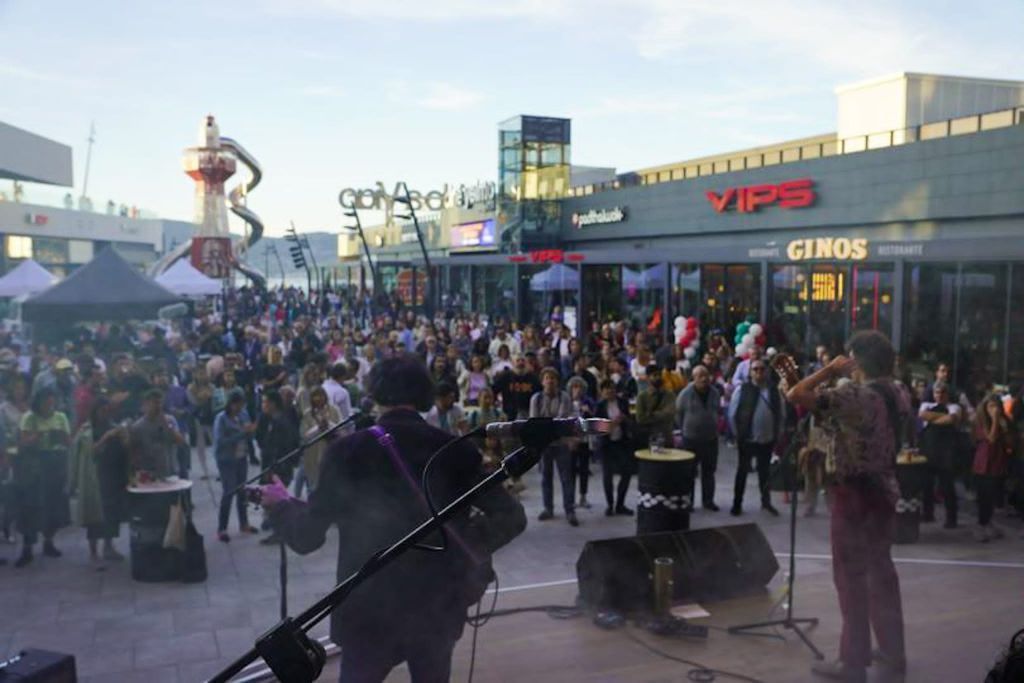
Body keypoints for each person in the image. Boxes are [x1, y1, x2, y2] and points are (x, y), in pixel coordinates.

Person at [258, 353, 526, 682]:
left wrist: (282, 506)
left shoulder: (346, 453)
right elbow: (511, 516)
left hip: (369, 609)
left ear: (376, 393)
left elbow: (307, 537)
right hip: (436, 605)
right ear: (423, 394)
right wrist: (462, 546)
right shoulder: (454, 449)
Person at [786, 331, 908, 683]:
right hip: (885, 489)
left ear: (855, 359)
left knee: (851, 578)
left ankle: (852, 663)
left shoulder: (856, 394)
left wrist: (827, 370)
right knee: (882, 574)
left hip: (854, 495)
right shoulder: (898, 390)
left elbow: (796, 394)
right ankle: (892, 651)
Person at [13, 387, 71, 567]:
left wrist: (59, 437)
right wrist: (37, 436)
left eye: (51, 401)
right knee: (31, 506)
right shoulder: (29, 417)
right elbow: (22, 441)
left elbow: (69, 441)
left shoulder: (60, 417)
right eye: (46, 401)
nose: (49, 405)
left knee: (53, 505)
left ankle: (49, 541)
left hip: (55, 463)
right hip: (34, 464)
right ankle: (27, 547)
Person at [68, 397, 127, 565]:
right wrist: (106, 437)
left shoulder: (113, 426)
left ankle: (109, 546)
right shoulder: (87, 430)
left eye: (107, 410)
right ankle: (93, 552)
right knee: (94, 517)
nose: (105, 413)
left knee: (111, 514)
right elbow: (89, 452)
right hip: (94, 477)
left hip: (112, 475)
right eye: (102, 410)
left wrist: (123, 437)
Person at [728, 358, 783, 516]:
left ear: (767, 371)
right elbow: (732, 413)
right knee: (742, 472)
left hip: (767, 439)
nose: (759, 372)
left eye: (762, 369)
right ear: (750, 372)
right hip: (747, 439)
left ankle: (766, 502)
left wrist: (777, 433)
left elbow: (781, 414)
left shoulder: (774, 391)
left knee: (764, 472)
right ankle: (737, 503)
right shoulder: (742, 390)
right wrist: (738, 435)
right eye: (755, 369)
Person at [531, 367, 578, 525]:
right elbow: (534, 423)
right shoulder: (536, 399)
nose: (550, 381)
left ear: (557, 381)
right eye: (547, 378)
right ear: (542, 381)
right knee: (546, 477)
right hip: (544, 444)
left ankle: (569, 510)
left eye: (553, 378)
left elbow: (564, 419)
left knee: (567, 478)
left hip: (562, 443)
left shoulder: (564, 397)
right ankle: (548, 508)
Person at [213, 389, 258, 543]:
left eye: (241, 405)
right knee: (229, 491)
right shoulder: (221, 419)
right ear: (230, 404)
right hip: (226, 459)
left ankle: (244, 523)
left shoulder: (244, 415)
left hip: (241, 456)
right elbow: (220, 441)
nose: (239, 408)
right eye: (236, 405)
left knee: (242, 490)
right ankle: (222, 528)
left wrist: (251, 432)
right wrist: (242, 433)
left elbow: (249, 436)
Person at [675, 365, 722, 511]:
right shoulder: (685, 394)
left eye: (706, 375)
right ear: (693, 378)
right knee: (689, 473)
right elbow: (678, 414)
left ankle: (708, 501)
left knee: (709, 472)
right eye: (700, 376)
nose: (704, 378)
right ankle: (688, 502)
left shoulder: (714, 392)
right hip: (691, 439)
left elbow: (718, 411)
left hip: (710, 438)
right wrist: (685, 429)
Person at [918, 381, 961, 528]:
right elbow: (922, 415)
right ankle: (928, 514)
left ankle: (952, 518)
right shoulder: (925, 405)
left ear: (947, 394)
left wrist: (933, 418)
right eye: (937, 392)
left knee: (948, 487)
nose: (939, 395)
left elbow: (952, 418)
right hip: (928, 451)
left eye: (942, 392)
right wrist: (942, 418)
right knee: (926, 486)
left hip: (946, 453)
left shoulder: (954, 407)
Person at [972, 393, 1013, 542]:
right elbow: (991, 438)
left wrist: (1004, 426)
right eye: (990, 406)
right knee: (984, 496)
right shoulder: (980, 421)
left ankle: (988, 522)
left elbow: (1009, 442)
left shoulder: (1003, 421)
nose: (994, 409)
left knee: (993, 496)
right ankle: (981, 525)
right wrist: (995, 419)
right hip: (984, 463)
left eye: (996, 406)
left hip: (998, 461)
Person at [596, 379, 635, 516]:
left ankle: (620, 504)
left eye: (612, 388)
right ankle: (610, 504)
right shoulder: (599, 406)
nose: (610, 391)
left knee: (626, 473)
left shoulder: (622, 402)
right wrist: (613, 423)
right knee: (608, 476)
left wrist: (625, 420)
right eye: (606, 389)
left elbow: (630, 420)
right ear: (602, 392)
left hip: (621, 443)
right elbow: (598, 428)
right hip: (606, 445)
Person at [299, 386, 341, 494]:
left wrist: (329, 425)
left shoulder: (334, 410)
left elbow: (341, 429)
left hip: (330, 451)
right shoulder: (307, 414)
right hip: (312, 454)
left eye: (320, 395)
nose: (318, 399)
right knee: (313, 487)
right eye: (315, 396)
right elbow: (304, 435)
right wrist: (318, 428)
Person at [567, 376, 596, 509]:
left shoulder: (588, 402)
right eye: (574, 387)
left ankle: (583, 497)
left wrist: (588, 412)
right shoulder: (566, 402)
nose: (577, 390)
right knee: (571, 471)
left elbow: (593, 422)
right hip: (571, 441)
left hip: (584, 441)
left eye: (579, 387)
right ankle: (570, 499)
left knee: (584, 470)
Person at [635, 363, 676, 449]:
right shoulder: (642, 396)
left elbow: (670, 414)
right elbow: (640, 419)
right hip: (649, 438)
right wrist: (661, 414)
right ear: (647, 377)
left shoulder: (669, 394)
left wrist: (651, 415)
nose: (658, 377)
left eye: (659, 375)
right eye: (654, 375)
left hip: (666, 436)